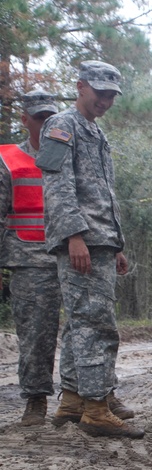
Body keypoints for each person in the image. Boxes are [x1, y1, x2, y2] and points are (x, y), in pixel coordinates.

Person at [36, 61, 143, 438]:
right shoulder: (62, 125)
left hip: (99, 239)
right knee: (96, 324)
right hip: (81, 239)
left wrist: (116, 244)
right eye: (100, 93)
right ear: (80, 87)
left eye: (112, 95)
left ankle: (73, 399)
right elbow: (58, 186)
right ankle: (96, 409)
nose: (106, 100)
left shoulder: (94, 132)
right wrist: (74, 236)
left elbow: (103, 195)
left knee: (81, 322)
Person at [0, 90, 61, 426]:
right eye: (39, 117)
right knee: (35, 332)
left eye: (50, 116)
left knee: (85, 329)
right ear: (25, 120)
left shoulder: (69, 154)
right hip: (28, 258)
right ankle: (35, 401)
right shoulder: (8, 159)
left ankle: (81, 400)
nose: (46, 123)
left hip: (72, 254)